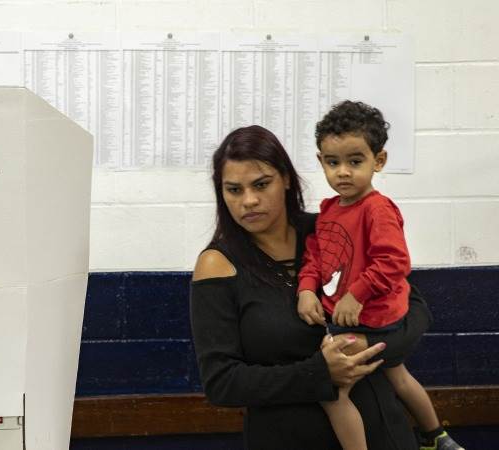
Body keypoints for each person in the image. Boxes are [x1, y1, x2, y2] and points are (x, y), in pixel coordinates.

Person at [190, 124, 432, 449]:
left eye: (261, 184)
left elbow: (414, 312)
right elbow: (222, 383)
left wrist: (366, 341)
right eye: (234, 190)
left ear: (286, 179)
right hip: (290, 437)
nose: (248, 200)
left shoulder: (328, 228)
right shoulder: (217, 264)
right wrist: (319, 373)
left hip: (386, 432)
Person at [296, 100, 464, 450]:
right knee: (398, 376)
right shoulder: (327, 213)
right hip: (352, 316)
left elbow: (394, 261)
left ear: (379, 161)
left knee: (330, 387)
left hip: (374, 318)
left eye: (355, 162)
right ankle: (437, 437)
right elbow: (315, 258)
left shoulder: (377, 208)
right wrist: (307, 289)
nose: (343, 172)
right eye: (332, 162)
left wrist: (356, 294)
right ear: (320, 162)